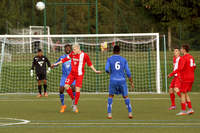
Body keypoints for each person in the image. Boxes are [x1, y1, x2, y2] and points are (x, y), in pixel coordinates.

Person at [52, 44, 101, 113]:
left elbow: (89, 64)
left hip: (79, 75)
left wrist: (95, 70)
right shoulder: (72, 54)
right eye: (73, 49)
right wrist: (56, 64)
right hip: (72, 74)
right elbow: (64, 59)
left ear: (78, 49)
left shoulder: (84, 55)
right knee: (66, 86)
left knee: (77, 90)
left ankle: (75, 105)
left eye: (74, 49)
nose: (73, 51)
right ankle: (73, 99)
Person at [105, 45, 134, 119]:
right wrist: (131, 82)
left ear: (113, 51)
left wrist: (110, 73)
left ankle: (109, 114)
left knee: (111, 96)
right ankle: (130, 113)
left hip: (113, 80)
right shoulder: (124, 60)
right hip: (122, 81)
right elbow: (128, 72)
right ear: (119, 51)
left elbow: (106, 69)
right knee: (125, 96)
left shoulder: (109, 59)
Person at [52, 44, 76, 113]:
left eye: (69, 48)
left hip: (72, 76)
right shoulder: (62, 57)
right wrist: (53, 65)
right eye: (66, 48)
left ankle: (74, 104)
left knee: (73, 87)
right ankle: (63, 105)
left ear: (71, 49)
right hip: (64, 76)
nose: (67, 49)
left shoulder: (74, 57)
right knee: (61, 89)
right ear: (64, 50)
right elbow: (57, 63)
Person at [176, 44, 196, 115]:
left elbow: (180, 68)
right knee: (185, 93)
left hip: (185, 78)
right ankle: (190, 109)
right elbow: (194, 66)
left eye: (181, 49)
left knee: (182, 94)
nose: (180, 50)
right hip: (191, 77)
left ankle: (183, 110)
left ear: (184, 49)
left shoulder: (183, 58)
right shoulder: (191, 57)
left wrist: (175, 73)